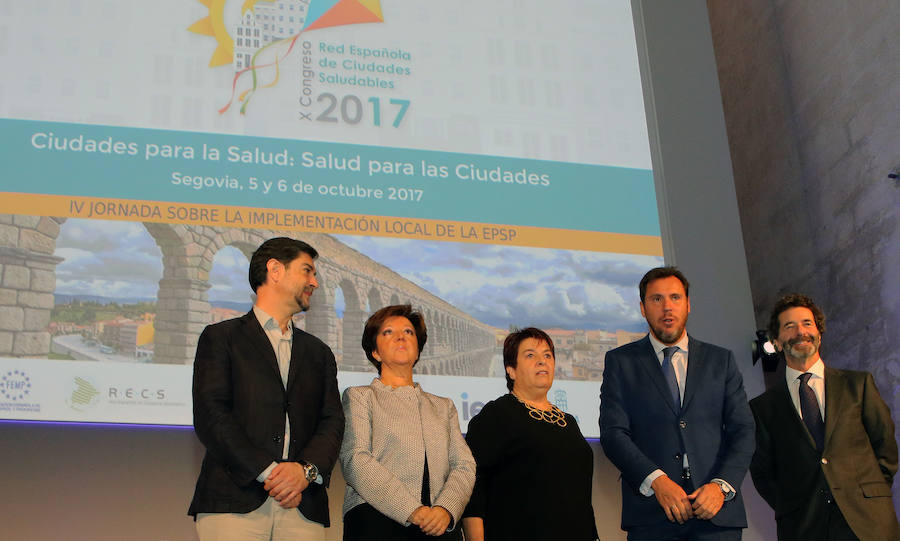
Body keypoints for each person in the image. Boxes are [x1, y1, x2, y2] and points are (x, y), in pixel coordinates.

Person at [188, 237, 344, 541]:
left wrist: (304, 472)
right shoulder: (221, 338)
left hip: (303, 505)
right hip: (233, 502)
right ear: (275, 269)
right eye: (307, 271)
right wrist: (270, 473)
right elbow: (212, 415)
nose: (315, 282)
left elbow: (332, 421)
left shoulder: (319, 353)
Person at [599, 266, 755, 541]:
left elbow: (743, 430)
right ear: (642, 308)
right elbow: (613, 433)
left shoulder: (721, 361)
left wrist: (720, 487)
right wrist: (657, 481)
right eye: (656, 299)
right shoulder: (621, 362)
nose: (667, 307)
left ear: (688, 304)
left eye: (675, 298)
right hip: (652, 516)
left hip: (716, 516)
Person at [749, 293, 900, 541]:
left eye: (807, 324)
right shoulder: (762, 408)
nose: (801, 331)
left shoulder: (858, 385)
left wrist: (869, 492)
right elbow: (763, 474)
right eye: (790, 326)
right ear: (776, 342)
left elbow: (885, 447)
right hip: (804, 527)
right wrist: (795, 505)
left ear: (819, 333)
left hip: (869, 522)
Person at [340, 304, 475, 540]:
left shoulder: (444, 406)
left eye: (409, 332)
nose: (401, 336)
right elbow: (356, 460)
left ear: (418, 350)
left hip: (439, 525)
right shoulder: (360, 396)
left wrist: (446, 509)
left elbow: (464, 465)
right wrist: (412, 509)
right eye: (388, 332)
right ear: (375, 352)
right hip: (376, 521)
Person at [462, 327, 599, 541]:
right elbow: (473, 486)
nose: (542, 361)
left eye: (547, 355)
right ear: (511, 370)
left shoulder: (569, 422)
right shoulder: (498, 414)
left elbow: (581, 497)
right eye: (530, 355)